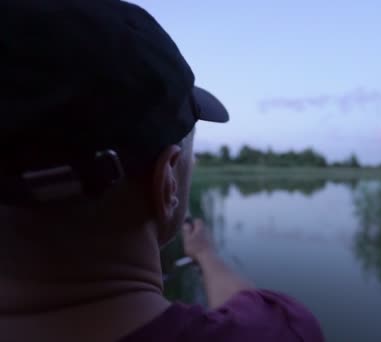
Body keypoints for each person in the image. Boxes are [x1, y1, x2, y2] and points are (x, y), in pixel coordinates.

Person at [0, 0, 324, 341]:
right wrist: (207, 256)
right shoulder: (278, 332)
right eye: (189, 158)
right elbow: (251, 313)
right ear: (167, 183)